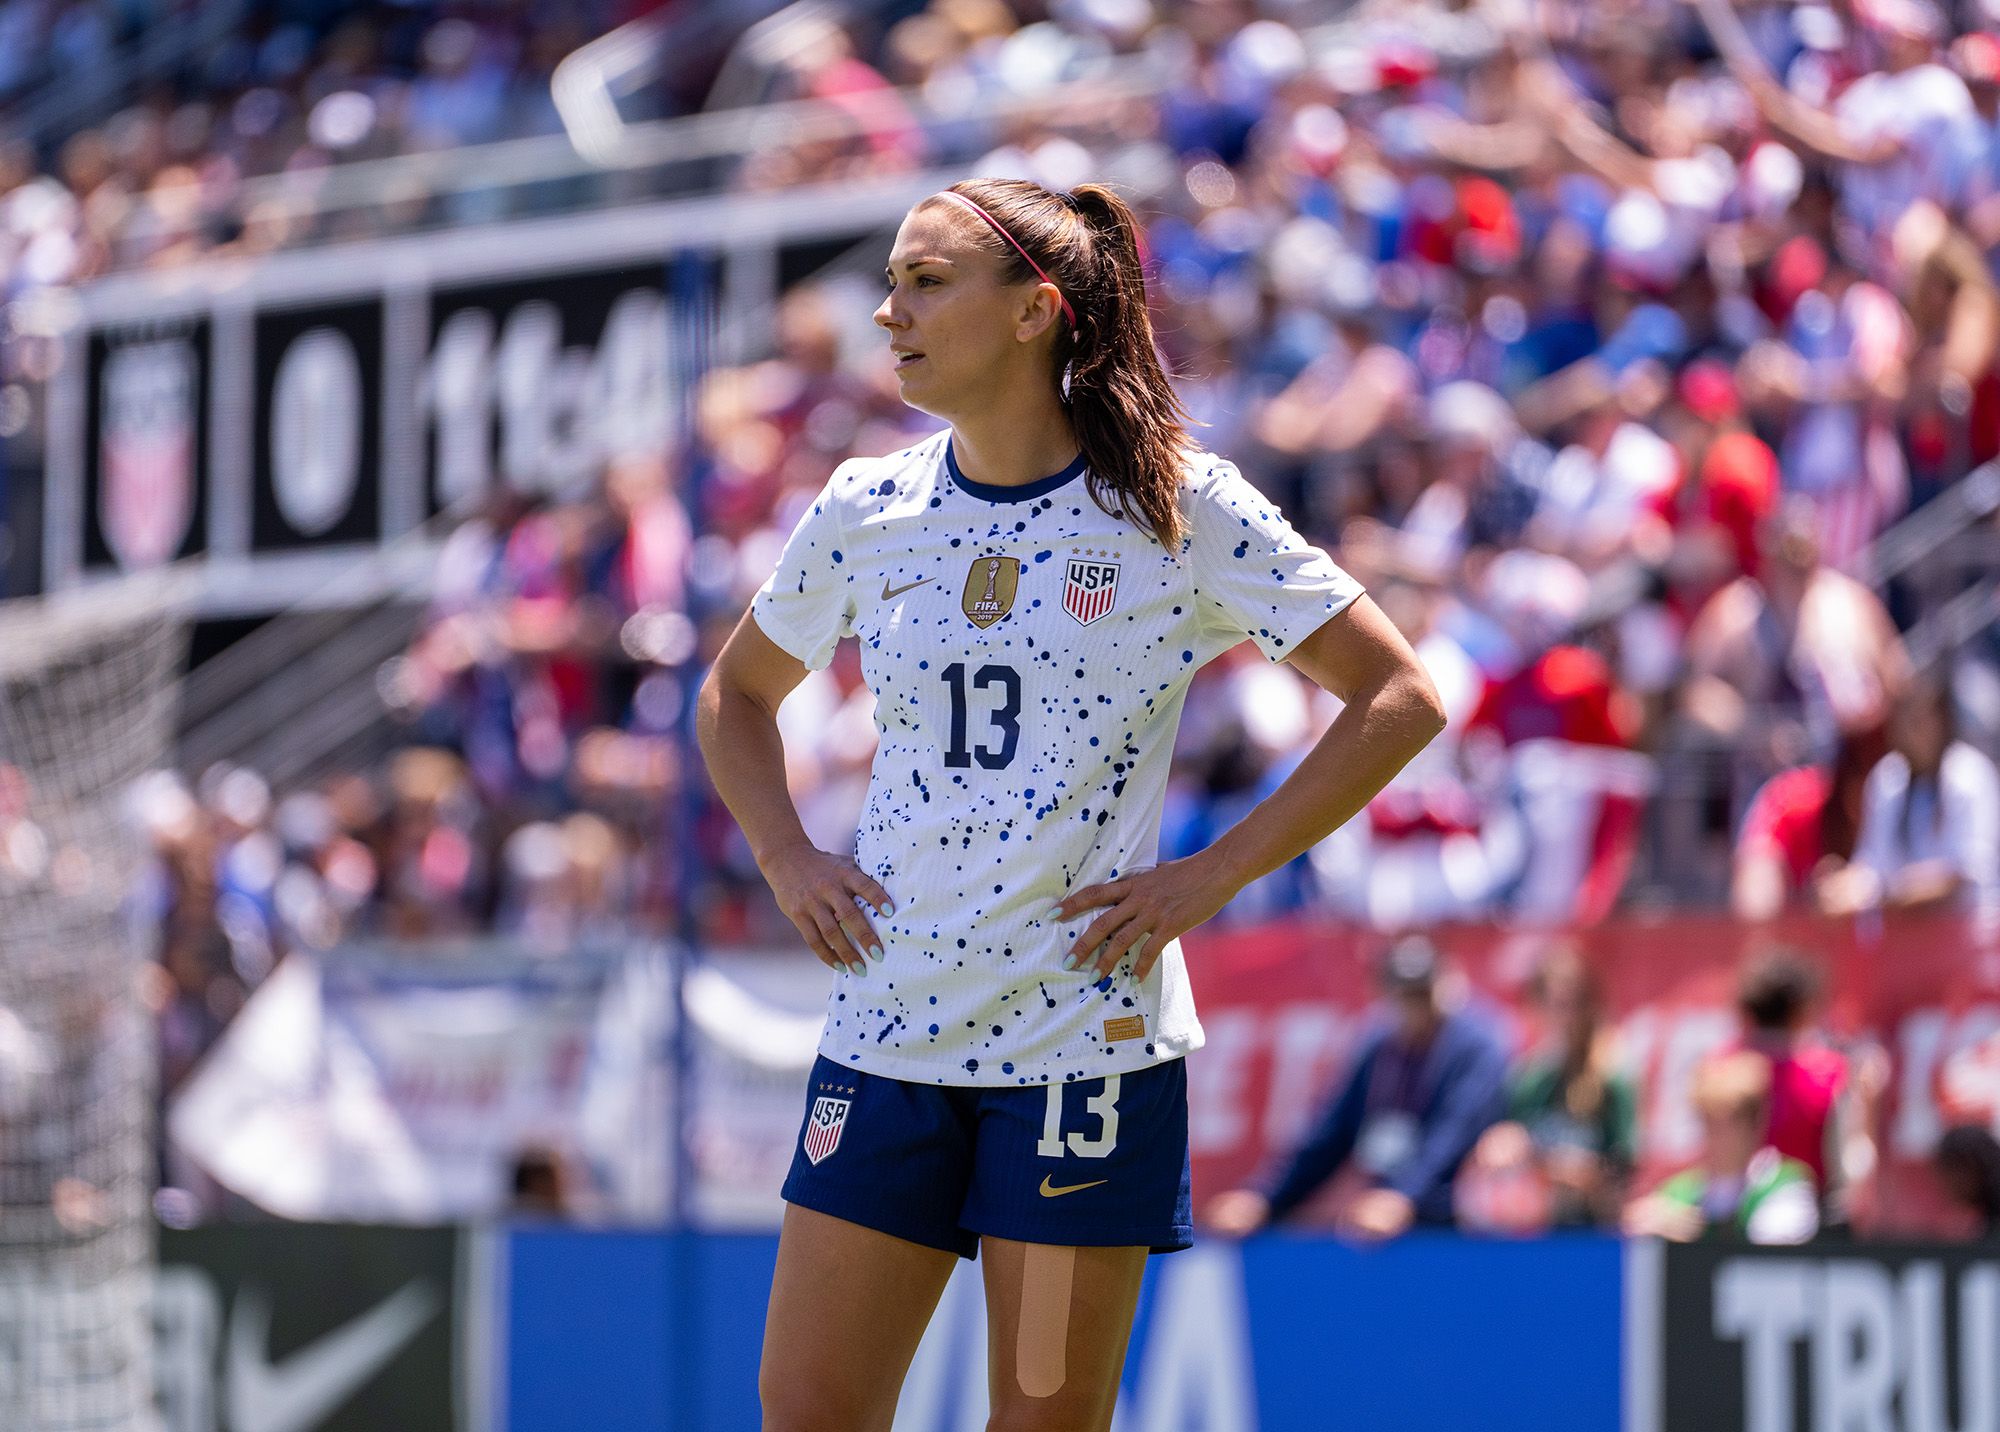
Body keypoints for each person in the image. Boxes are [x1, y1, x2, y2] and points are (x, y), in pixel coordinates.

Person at [696, 178, 1446, 1432]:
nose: (888, 314)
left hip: (1077, 1058)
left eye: (925, 282)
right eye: (890, 283)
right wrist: (784, 853)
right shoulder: (861, 508)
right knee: (807, 1414)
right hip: (886, 1033)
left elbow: (1398, 695)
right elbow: (734, 697)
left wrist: (1209, 875)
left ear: (1037, 311)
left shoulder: (1179, 508)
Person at [1203, 935, 1508, 1242]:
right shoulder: (1378, 1046)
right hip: (1385, 1220)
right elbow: (1327, 1135)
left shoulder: (1476, 1046)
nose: (1415, 1008)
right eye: (1405, 996)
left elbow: (1452, 1136)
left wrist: (1402, 1197)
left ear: (1447, 985)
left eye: (1422, 994)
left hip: (1461, 1228)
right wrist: (1263, 1199)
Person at [1464, 945, 1636, 1233]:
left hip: (1594, 1232)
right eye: (1553, 1004)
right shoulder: (1529, 1079)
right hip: (1537, 1233)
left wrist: (1545, 1161)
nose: (1564, 1017)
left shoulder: (1611, 1077)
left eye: (1573, 1004)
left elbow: (1621, 1171)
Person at [1818, 669, 2000, 916]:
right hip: (1899, 940)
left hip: (1966, 937)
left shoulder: (1970, 775)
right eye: (1903, 722)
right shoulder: (1888, 777)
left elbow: (1964, 872)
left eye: (1919, 722)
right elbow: (1873, 866)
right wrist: (1840, 885)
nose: (1909, 733)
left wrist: (1885, 893)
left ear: (1942, 722)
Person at [1624, 1050, 1820, 1245]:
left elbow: (1772, 1251)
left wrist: (1695, 1234)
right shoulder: (1679, 1191)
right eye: (1709, 1121)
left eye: (1731, 1123)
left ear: (1757, 1124)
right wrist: (1644, 1226)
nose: (1718, 1137)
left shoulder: (1785, 1183)